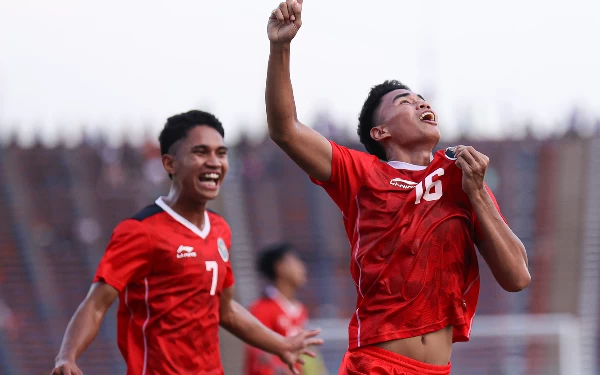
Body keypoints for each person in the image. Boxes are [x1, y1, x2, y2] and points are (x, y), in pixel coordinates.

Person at [265, 2, 531, 374]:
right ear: (380, 132)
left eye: (422, 99)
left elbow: (517, 277)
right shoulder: (360, 172)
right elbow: (285, 130)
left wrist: (478, 194)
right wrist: (281, 47)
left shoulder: (462, 177)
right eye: (404, 101)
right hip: (377, 364)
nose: (421, 102)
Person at [51, 110, 322, 375]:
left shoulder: (219, 230)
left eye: (221, 153)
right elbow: (96, 303)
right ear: (170, 163)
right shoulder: (140, 231)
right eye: (201, 152)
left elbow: (224, 310)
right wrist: (67, 355)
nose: (214, 162)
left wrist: (280, 344)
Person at [245, 243, 327, 375]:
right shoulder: (262, 308)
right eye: (296, 261)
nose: (302, 267)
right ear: (280, 267)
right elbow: (257, 350)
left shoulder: (300, 310)